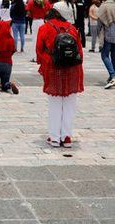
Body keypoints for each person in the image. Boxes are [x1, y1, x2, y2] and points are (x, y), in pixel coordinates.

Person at [35, 9, 84, 148]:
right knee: (70, 105)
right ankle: (67, 136)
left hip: (54, 70)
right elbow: (79, 51)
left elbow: (39, 50)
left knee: (54, 105)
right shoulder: (72, 28)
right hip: (72, 70)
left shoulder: (44, 28)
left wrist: (45, 64)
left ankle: (54, 137)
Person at [97, 0, 115, 89]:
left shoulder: (103, 6)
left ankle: (113, 76)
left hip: (108, 32)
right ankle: (112, 76)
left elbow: (99, 20)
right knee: (114, 56)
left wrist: (97, 34)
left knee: (104, 55)